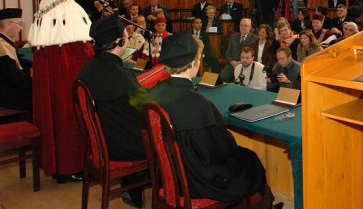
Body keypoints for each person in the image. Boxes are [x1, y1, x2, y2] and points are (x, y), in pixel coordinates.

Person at [147, 31, 272, 205]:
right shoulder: (198, 105)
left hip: (167, 174)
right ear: (192, 64)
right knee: (251, 161)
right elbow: (218, 152)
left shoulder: (154, 92)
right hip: (196, 181)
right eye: (199, 58)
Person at [28, 0, 94, 182]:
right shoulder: (69, 10)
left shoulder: (44, 7)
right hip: (68, 82)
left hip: (52, 82)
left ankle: (58, 166)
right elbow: (81, 56)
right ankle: (72, 166)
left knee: (53, 114)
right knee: (68, 118)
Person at [77, 14, 147, 207]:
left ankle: (132, 189)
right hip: (121, 147)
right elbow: (146, 109)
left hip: (101, 142)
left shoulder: (89, 67)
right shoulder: (119, 75)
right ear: (120, 42)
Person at [0, 8, 31, 111]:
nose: (21, 28)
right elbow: (15, 78)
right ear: (8, 24)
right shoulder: (2, 45)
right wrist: (35, 83)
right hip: (7, 95)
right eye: (19, 23)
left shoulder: (5, 42)